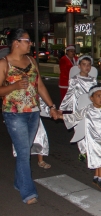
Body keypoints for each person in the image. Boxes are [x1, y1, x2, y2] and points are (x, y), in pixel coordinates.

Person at [0, 28, 58, 204]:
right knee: (24, 152)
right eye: (27, 40)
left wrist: (52, 106)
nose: (31, 43)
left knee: (25, 149)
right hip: (14, 113)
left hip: (33, 112)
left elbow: (39, 85)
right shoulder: (4, 63)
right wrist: (13, 87)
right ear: (16, 42)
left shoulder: (32, 60)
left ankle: (19, 182)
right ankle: (28, 192)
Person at [59, 56, 97, 159]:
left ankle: (90, 148)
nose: (86, 67)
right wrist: (62, 109)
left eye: (88, 65)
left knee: (90, 128)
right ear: (79, 66)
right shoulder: (74, 79)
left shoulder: (93, 80)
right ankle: (83, 151)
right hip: (78, 108)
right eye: (84, 64)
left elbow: (95, 94)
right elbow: (69, 94)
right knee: (79, 129)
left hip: (89, 108)